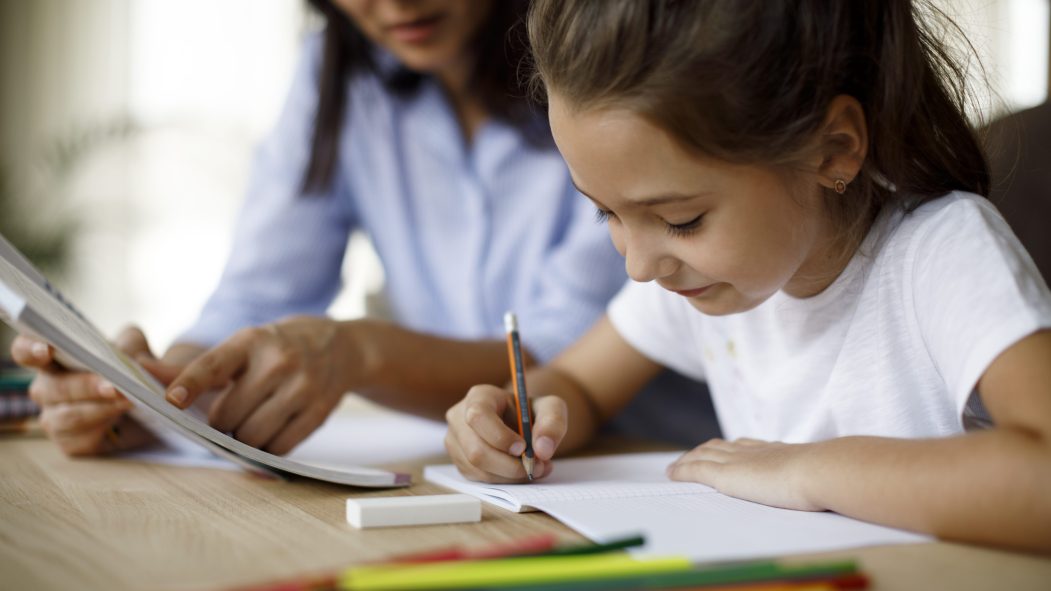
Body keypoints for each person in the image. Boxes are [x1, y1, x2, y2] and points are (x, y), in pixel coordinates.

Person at [445, 0, 1051, 552]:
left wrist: (805, 469)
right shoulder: (705, 279)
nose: (639, 265)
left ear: (833, 149)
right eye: (607, 211)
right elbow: (580, 383)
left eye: (681, 219)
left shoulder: (941, 254)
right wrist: (519, 422)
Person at [10, 0, 643, 457]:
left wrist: (358, 353)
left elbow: (564, 356)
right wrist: (156, 392)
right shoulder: (336, 74)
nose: (393, 4)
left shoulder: (605, 59)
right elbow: (256, 296)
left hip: (646, 453)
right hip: (471, 470)